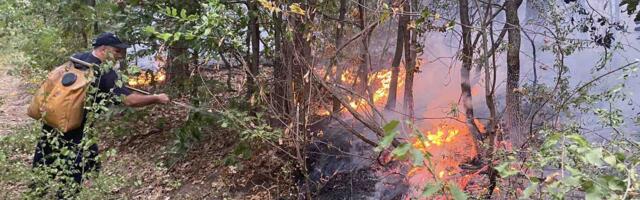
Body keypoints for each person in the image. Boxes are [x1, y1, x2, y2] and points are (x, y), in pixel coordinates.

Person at [31, 32, 170, 198]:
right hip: (75, 127)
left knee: (44, 161)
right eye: (117, 51)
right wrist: (156, 98)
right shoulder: (104, 72)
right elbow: (130, 101)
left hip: (53, 119)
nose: (120, 55)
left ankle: (37, 191)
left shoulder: (78, 58)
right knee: (74, 171)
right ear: (103, 50)